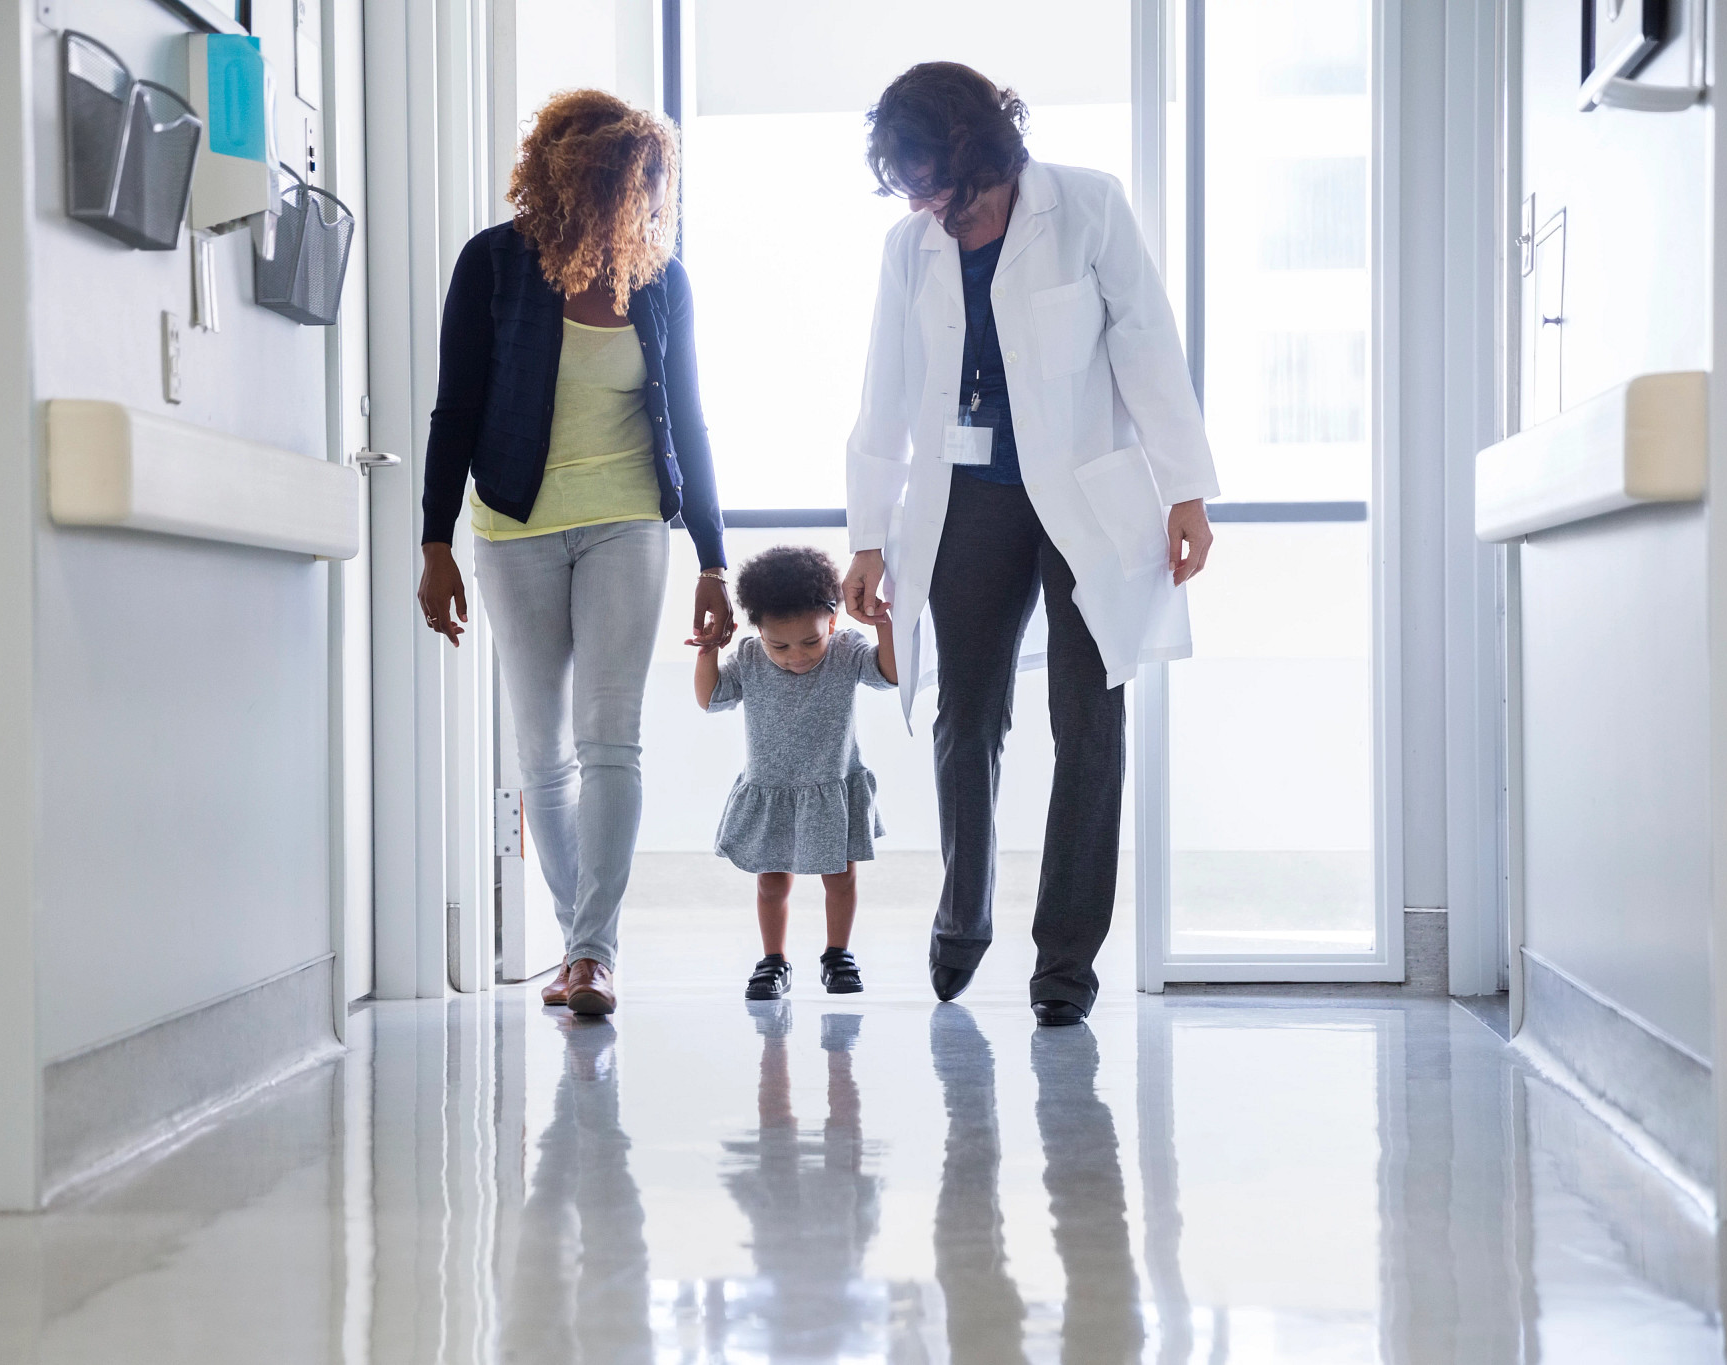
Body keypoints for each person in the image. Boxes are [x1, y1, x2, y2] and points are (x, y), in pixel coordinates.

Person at [841, 63, 1219, 1026]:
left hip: (1085, 498)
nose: (925, 204)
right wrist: (868, 538)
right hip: (966, 501)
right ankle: (964, 917)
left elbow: (1147, 345)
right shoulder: (906, 248)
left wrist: (1185, 489)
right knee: (967, 717)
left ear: (981, 154)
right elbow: (885, 390)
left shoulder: (1087, 209)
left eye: (934, 183)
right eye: (909, 186)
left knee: (1088, 725)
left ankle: (1065, 964)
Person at [419, 90, 734, 1017]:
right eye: (605, 186)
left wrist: (713, 560)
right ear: (559, 180)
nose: (621, 205)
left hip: (629, 520)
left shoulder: (662, 279)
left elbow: (689, 422)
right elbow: (454, 410)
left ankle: (594, 954)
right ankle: (574, 941)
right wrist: (433, 540)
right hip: (514, 525)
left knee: (609, 735)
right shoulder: (492, 264)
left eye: (639, 188)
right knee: (540, 748)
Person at [695, 546, 896, 1000]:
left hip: (831, 784)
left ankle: (837, 954)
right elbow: (711, 698)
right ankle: (773, 960)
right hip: (773, 790)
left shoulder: (847, 652)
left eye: (811, 641)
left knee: (841, 877)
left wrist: (885, 628)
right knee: (771, 882)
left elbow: (888, 676)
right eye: (779, 645)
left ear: (833, 623)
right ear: (758, 632)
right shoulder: (748, 658)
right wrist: (708, 651)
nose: (796, 656)